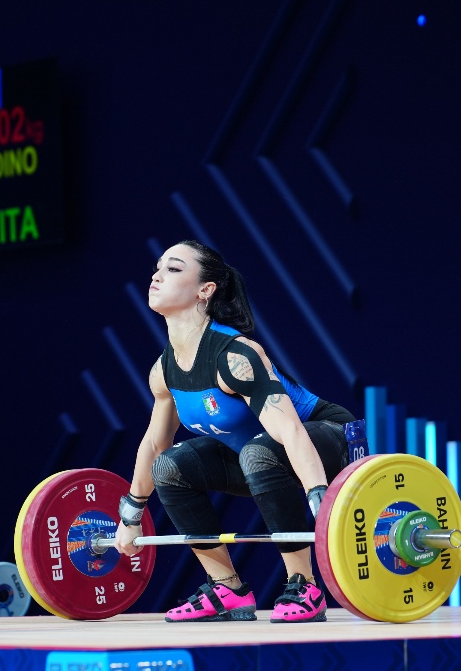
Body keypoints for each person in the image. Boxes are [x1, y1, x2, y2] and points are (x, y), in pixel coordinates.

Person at [114, 240, 356, 623]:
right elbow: (156, 444)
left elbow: (291, 432)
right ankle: (227, 588)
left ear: (205, 290)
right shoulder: (163, 372)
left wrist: (321, 501)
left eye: (174, 269)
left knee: (257, 452)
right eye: (158, 267)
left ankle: (305, 585)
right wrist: (131, 515)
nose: (157, 275)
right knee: (170, 467)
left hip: (326, 438)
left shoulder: (235, 356)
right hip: (257, 457)